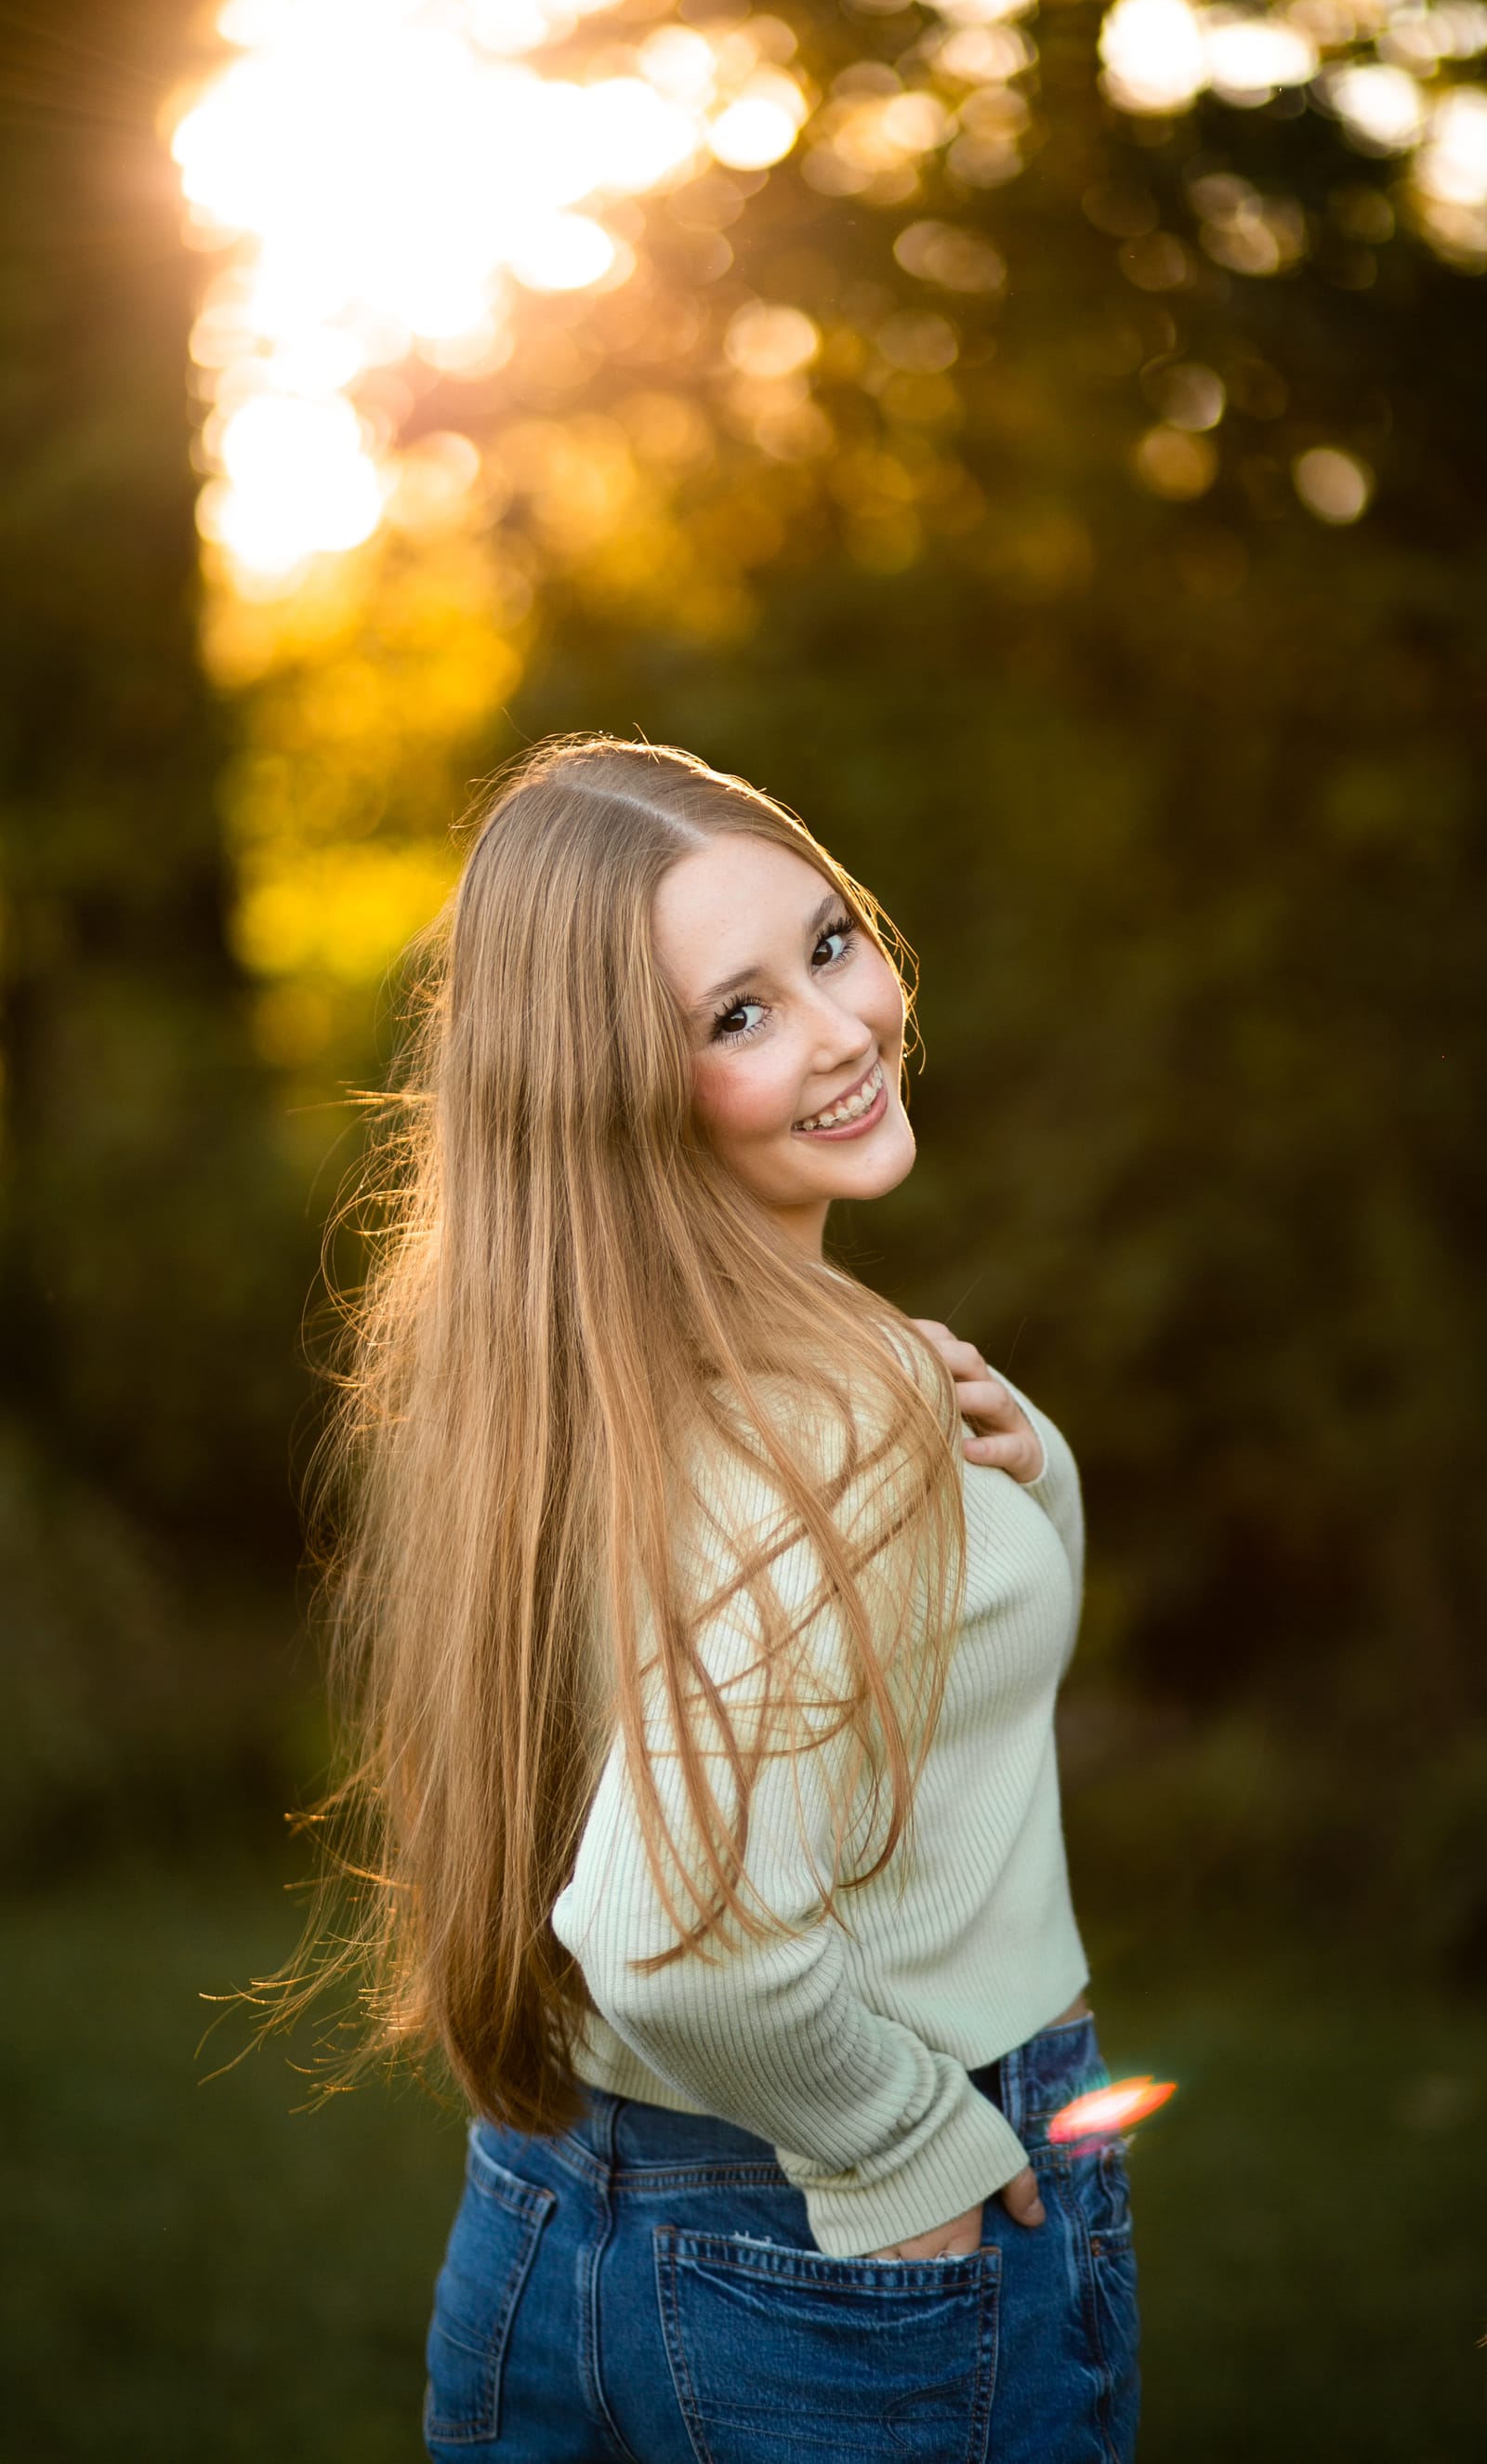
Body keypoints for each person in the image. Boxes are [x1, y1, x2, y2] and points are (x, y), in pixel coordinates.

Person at [305, 735, 1139, 2463]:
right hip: (843, 2259)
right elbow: (674, 1939)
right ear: (615, 1088)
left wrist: (1027, 1480)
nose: (838, 1031)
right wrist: (910, 2145)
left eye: (829, 946)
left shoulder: (563, 1395)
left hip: (551, 2225)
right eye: (734, 1017)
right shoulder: (831, 1430)